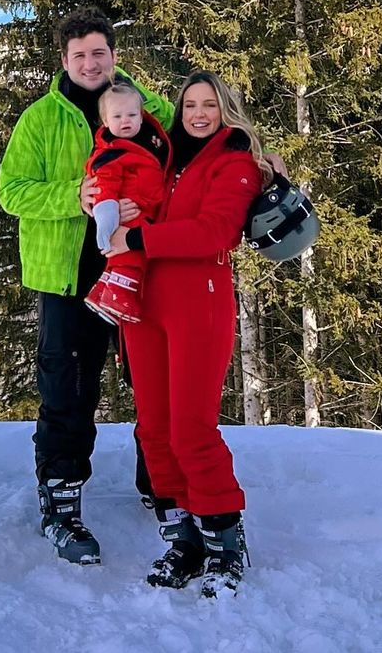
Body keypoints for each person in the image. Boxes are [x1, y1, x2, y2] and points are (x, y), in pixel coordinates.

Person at [0, 7, 173, 566]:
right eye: (79, 55)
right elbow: (12, 191)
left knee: (156, 383)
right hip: (68, 278)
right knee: (68, 388)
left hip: (144, 269)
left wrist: (259, 164)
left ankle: (163, 486)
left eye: (99, 53)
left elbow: (198, 146)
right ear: (65, 60)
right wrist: (73, 197)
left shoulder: (149, 111)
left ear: (114, 55)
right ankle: (61, 501)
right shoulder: (42, 119)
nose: (90, 63)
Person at [104, 70, 272, 597]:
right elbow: (119, 147)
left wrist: (136, 233)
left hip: (198, 299)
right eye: (190, 105)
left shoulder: (236, 162)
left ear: (226, 110)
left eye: (210, 105)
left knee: (191, 429)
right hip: (145, 301)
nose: (199, 114)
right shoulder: (167, 155)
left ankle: (224, 540)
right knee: (153, 429)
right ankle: (184, 537)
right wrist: (102, 194)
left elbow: (214, 231)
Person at [83, 83, 171, 326]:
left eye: (132, 115)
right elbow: (104, 182)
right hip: (131, 210)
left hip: (145, 205)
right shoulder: (111, 152)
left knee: (122, 258)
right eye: (117, 116)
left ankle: (101, 291)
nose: (125, 121)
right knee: (133, 257)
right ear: (105, 121)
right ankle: (121, 296)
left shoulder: (146, 141)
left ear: (141, 117)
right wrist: (107, 212)